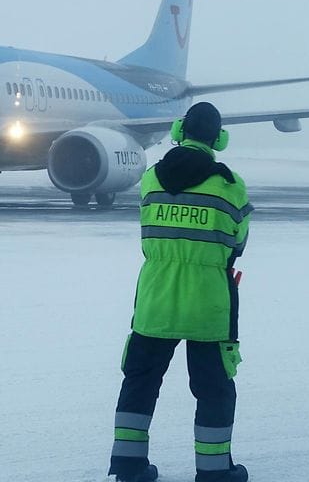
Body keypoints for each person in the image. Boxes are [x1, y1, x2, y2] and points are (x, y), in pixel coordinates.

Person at [109, 102, 253, 482]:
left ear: (178, 131)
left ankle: (128, 465)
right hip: (208, 303)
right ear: (218, 138)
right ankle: (214, 470)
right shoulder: (230, 184)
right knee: (213, 390)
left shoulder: (151, 178)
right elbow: (239, 242)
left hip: (155, 299)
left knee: (139, 383)